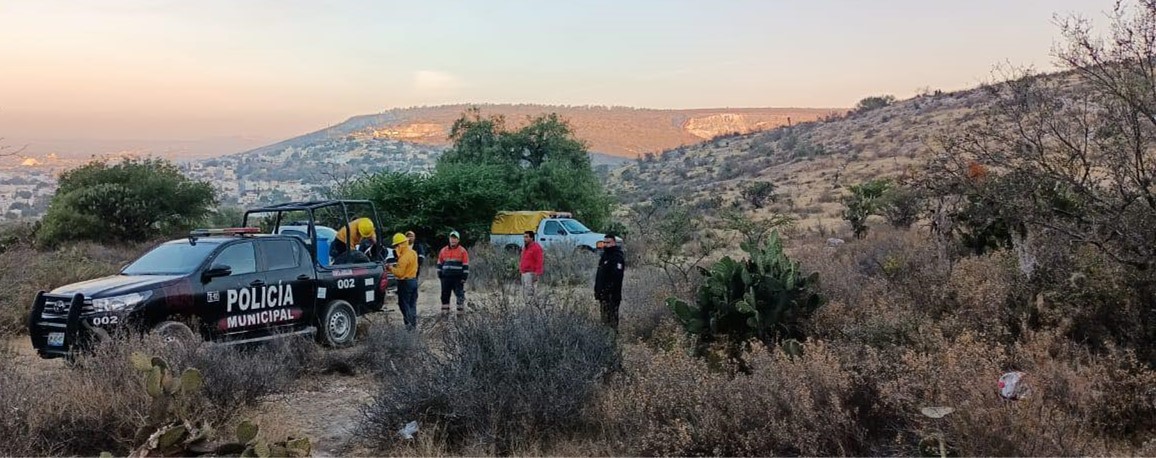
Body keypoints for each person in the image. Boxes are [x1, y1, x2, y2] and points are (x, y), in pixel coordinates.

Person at [387, 232, 419, 330]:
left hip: (405, 283)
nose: (395, 247)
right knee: (412, 305)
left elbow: (400, 273)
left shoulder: (403, 258)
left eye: (396, 245)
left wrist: (390, 268)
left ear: (400, 244)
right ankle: (413, 326)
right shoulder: (413, 253)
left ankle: (409, 327)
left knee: (404, 305)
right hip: (413, 281)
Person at [594, 233, 625, 330]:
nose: (606, 244)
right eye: (604, 242)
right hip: (603, 295)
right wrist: (598, 291)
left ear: (614, 243)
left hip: (612, 295)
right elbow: (600, 275)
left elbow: (617, 277)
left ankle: (613, 340)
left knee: (612, 319)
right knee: (604, 319)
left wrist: (608, 290)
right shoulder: (604, 256)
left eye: (608, 242)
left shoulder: (617, 256)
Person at [436, 230, 470, 313]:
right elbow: (439, 263)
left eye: (455, 238)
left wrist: (464, 277)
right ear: (449, 239)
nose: (453, 240)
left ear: (458, 240)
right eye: (452, 238)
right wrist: (440, 274)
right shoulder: (443, 250)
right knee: (444, 296)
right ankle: (444, 316)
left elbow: (465, 265)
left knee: (460, 297)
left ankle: (460, 317)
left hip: (458, 278)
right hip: (446, 278)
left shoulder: (462, 251)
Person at [519, 230, 544, 302]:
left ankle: (532, 308)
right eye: (524, 237)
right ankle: (528, 307)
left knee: (530, 292)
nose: (524, 239)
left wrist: (537, 273)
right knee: (525, 292)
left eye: (526, 237)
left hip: (531, 273)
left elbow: (539, 261)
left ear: (532, 238)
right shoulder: (525, 248)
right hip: (524, 273)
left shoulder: (536, 248)